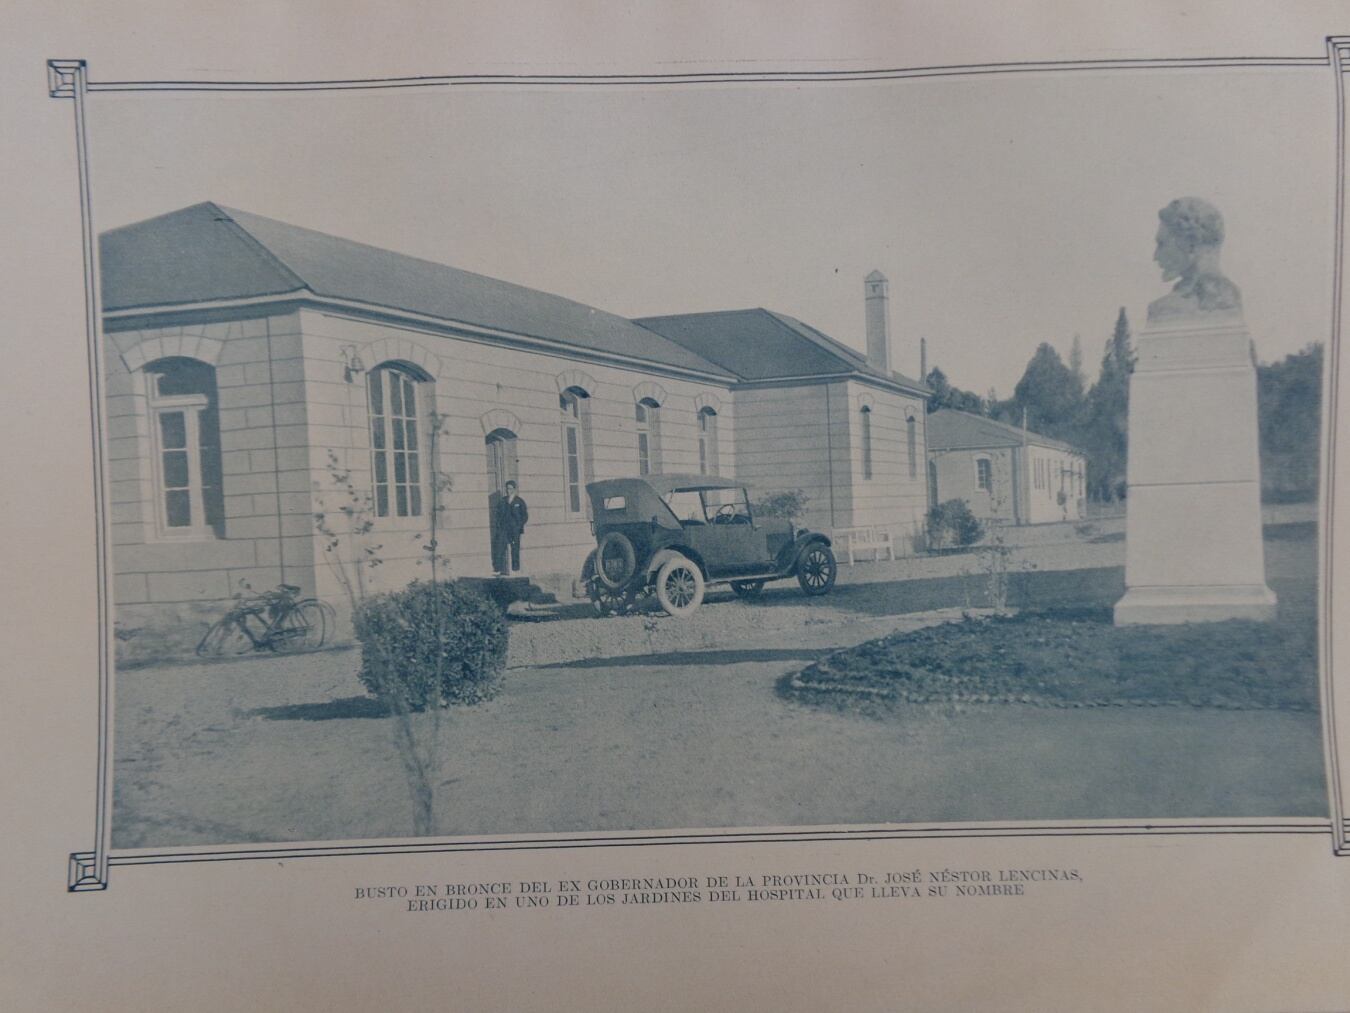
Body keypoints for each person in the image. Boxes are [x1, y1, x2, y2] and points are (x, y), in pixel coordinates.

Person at [496, 480, 529, 574]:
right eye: (507, 488)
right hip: (504, 529)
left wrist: (519, 526)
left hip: (515, 530)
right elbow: (498, 514)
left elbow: (525, 516)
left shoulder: (519, 501)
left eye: (510, 488)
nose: (508, 490)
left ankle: (515, 569)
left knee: (515, 549)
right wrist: (499, 525)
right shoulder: (502, 501)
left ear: (514, 489)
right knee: (500, 547)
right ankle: (499, 569)